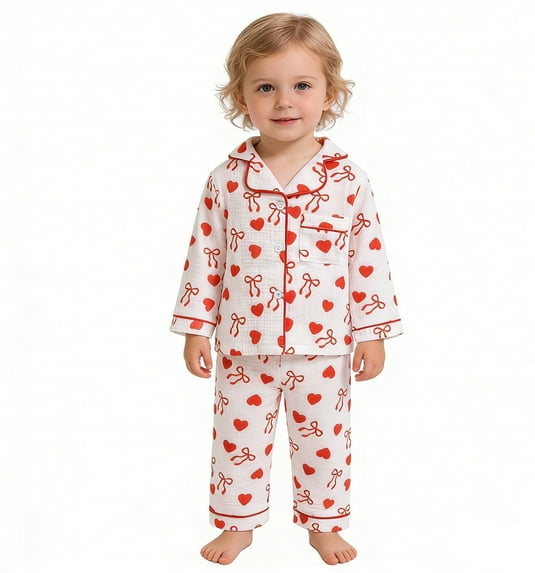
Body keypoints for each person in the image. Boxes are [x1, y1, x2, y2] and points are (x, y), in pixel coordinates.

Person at [170, 12, 403, 566]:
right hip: (242, 345)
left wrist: (373, 332)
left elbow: (367, 257)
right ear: (241, 97)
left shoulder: (347, 180)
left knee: (324, 443)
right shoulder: (226, 180)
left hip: (323, 348)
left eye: (301, 85)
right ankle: (237, 523)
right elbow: (205, 256)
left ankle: (324, 523)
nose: (284, 102)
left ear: (329, 92)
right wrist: (195, 328)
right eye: (265, 88)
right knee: (237, 443)